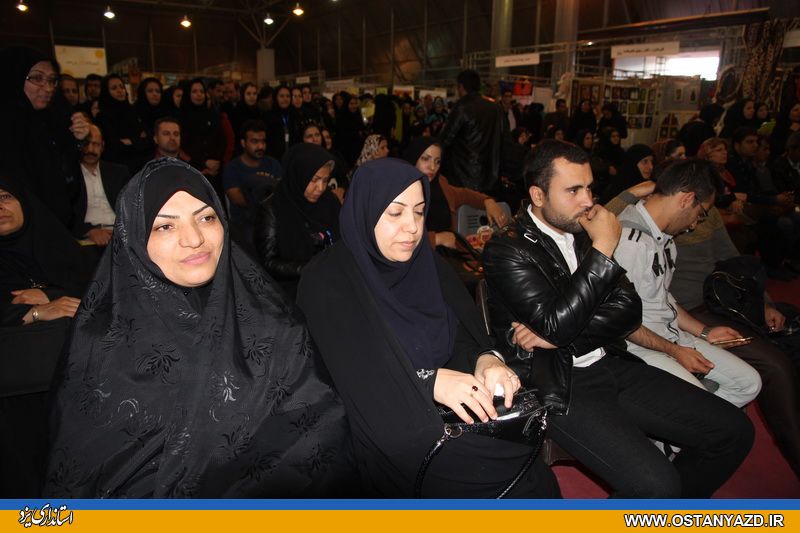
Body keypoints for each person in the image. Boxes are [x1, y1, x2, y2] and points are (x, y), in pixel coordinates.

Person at [43, 158, 356, 498]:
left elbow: (321, 436)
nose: (194, 239)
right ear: (133, 237)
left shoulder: (275, 322)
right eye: (165, 226)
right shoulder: (101, 349)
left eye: (206, 218)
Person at [482, 140, 754, 497]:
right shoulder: (508, 248)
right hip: (557, 383)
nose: (587, 201)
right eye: (573, 190)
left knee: (734, 431)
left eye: (589, 188)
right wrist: (603, 250)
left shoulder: (582, 231)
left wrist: (561, 332)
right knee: (658, 485)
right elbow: (558, 328)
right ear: (538, 194)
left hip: (611, 362)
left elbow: (628, 311)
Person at [295, 157, 559, 498]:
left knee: (527, 467)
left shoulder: (426, 265)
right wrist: (426, 381)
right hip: (384, 426)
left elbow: (457, 333)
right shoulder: (328, 280)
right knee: (503, 477)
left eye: (419, 213)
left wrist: (485, 359)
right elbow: (348, 375)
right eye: (395, 213)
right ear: (365, 212)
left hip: (450, 414)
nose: (412, 227)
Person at [614, 159, 762, 407]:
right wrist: (675, 351)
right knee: (703, 409)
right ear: (686, 199)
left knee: (749, 383)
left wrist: (705, 332)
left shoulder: (665, 238)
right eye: (700, 213)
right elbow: (618, 322)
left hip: (669, 336)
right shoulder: (629, 242)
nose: (693, 225)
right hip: (638, 347)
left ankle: (688, 424)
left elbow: (662, 298)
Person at [0, 173, 95, 497]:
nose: (0, 208)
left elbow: (100, 289)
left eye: (6, 197)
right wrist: (33, 313)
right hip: (15, 397)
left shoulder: (54, 243)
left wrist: (51, 295)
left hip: (77, 384)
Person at [0, 46, 89, 230]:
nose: (48, 88)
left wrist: (77, 140)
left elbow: (66, 178)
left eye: (52, 80)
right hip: (16, 227)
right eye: (37, 78)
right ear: (14, 77)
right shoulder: (7, 125)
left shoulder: (55, 119)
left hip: (56, 223)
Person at [254, 144, 339, 298]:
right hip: (292, 290)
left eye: (325, 180)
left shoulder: (329, 201)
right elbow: (268, 262)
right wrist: (310, 268)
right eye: (314, 180)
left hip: (330, 280)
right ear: (299, 175)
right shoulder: (273, 209)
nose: (320, 188)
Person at [402, 136, 508, 249]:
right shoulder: (400, 192)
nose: (433, 167)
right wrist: (436, 239)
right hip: (417, 256)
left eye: (437, 161)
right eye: (425, 159)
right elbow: (397, 236)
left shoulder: (440, 184)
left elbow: (464, 195)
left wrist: (488, 202)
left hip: (448, 253)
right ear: (413, 159)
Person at [439, 69, 505, 192]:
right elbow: (504, 140)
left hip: (462, 176)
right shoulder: (496, 108)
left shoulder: (462, 107)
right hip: (490, 176)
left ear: (461, 87)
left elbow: (445, 139)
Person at [74, 124, 130, 245]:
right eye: (86, 144)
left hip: (120, 234)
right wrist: (88, 231)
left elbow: (133, 207)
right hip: (86, 237)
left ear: (102, 146)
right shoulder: (70, 175)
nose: (90, 149)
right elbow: (64, 213)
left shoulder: (118, 173)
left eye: (96, 144)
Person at [223, 120, 281, 234]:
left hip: (272, 220)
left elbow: (281, 193)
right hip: (244, 224)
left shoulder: (273, 164)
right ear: (243, 143)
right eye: (254, 141)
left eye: (263, 141)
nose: (260, 146)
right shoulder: (232, 168)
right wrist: (265, 188)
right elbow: (236, 198)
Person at [95, 74, 151, 174]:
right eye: (114, 88)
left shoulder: (134, 112)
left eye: (121, 87)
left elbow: (147, 140)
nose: (120, 91)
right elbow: (113, 145)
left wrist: (130, 141)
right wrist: (137, 141)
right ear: (106, 92)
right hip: (116, 169)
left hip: (140, 168)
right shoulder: (103, 117)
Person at [178, 79, 225, 194]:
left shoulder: (213, 115)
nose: (199, 94)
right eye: (194, 91)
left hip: (214, 170)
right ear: (188, 94)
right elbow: (182, 146)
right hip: (191, 170)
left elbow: (221, 140)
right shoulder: (180, 117)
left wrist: (216, 163)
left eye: (201, 91)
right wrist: (203, 163)